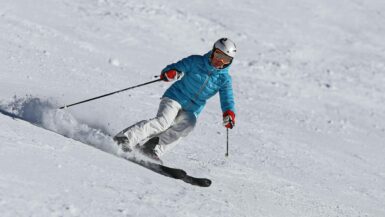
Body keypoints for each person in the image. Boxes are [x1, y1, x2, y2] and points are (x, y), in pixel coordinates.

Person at [113, 38, 237, 160]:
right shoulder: (196, 61)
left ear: (229, 62)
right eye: (218, 54)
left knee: (188, 124)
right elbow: (177, 67)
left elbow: (227, 99)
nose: (220, 61)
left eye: (225, 59)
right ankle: (126, 138)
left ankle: (152, 148)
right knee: (163, 122)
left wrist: (229, 114)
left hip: (193, 109)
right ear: (213, 51)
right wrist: (172, 72)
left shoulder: (224, 80)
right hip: (175, 97)